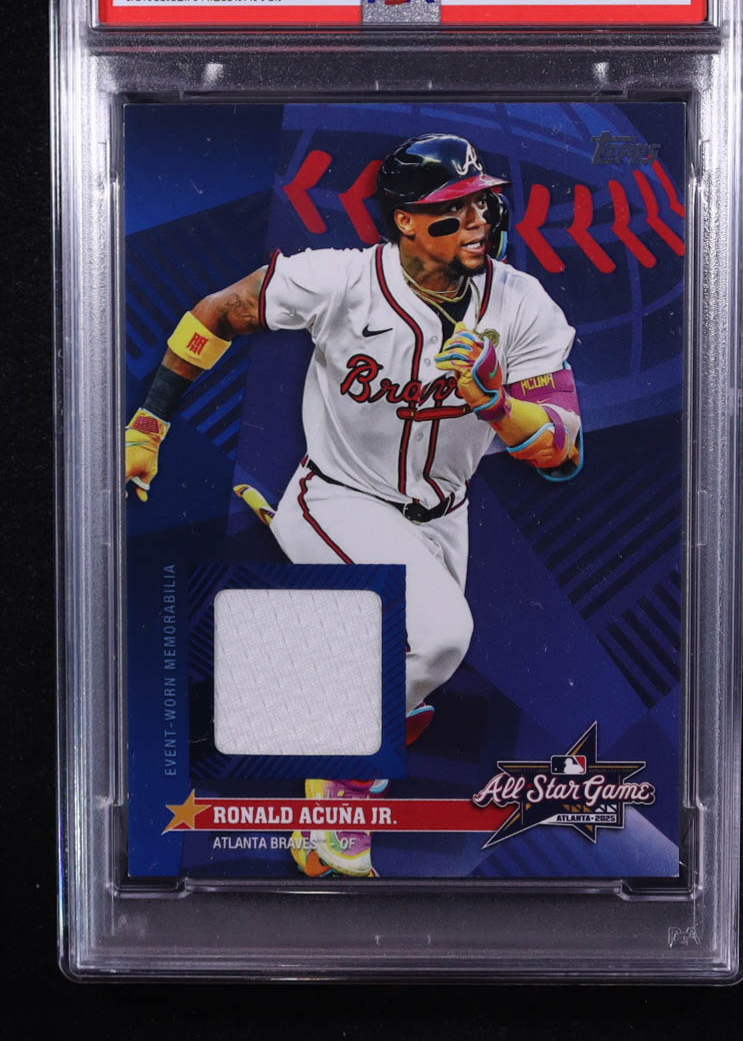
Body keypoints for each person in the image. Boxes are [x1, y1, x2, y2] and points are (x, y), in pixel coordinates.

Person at [125, 133, 582, 877]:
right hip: (338, 497)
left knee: (410, 675)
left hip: (446, 517)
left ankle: (326, 779)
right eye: (454, 209)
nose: (477, 221)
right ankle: (338, 783)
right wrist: (150, 423)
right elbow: (216, 311)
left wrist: (497, 402)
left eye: (483, 203)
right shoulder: (337, 280)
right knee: (439, 638)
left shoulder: (522, 303)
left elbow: (562, 452)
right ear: (404, 220)